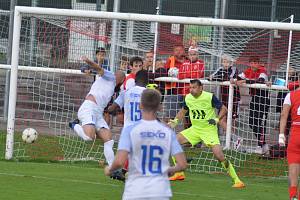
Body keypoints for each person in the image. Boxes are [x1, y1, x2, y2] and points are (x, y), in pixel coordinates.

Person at [104, 89, 187, 200]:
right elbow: (182, 164)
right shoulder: (168, 132)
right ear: (160, 107)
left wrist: (109, 170)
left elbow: (119, 161)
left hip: (135, 191)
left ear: (140, 105)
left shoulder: (130, 129)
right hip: (160, 191)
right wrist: (169, 170)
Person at [168, 79, 245, 188]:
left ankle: (237, 180)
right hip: (195, 129)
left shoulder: (209, 96)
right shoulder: (188, 97)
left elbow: (224, 109)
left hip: (209, 130)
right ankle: (179, 173)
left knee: (219, 156)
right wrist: (174, 122)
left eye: (194, 87)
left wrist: (217, 119)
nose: (191, 90)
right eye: (190, 87)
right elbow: (183, 111)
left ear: (201, 88)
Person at [69, 56, 125, 179]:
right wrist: (88, 63)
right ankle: (74, 125)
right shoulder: (110, 76)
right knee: (89, 137)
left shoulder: (114, 89)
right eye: (119, 75)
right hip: (88, 108)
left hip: (98, 112)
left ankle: (113, 170)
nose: (117, 75)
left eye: (119, 76)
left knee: (109, 139)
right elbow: (98, 69)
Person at [235, 56, 270, 154]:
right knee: (251, 122)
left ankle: (260, 145)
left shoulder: (263, 71)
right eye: (252, 62)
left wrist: (245, 81)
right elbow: (238, 78)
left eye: (256, 62)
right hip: (254, 98)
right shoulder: (248, 71)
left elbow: (260, 81)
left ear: (259, 63)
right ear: (249, 64)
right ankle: (264, 144)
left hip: (264, 98)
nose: (254, 64)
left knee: (260, 122)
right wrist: (234, 80)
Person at [279, 82, 300, 200]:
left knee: (294, 164)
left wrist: (281, 135)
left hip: (296, 133)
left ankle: (293, 195)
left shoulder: (290, 95)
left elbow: (283, 115)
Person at [209, 56, 241, 131]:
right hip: (224, 98)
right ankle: (232, 139)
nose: (225, 64)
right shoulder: (220, 69)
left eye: (227, 62)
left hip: (234, 98)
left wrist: (220, 78)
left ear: (231, 63)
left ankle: (233, 140)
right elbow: (212, 76)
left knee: (232, 121)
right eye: (224, 61)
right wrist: (212, 77)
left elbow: (231, 77)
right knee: (221, 120)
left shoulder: (234, 69)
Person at [164, 45, 187, 121]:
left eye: (180, 50)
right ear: (173, 52)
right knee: (170, 116)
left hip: (187, 92)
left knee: (187, 117)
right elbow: (165, 72)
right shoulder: (170, 60)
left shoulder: (188, 60)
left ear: (184, 51)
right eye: (176, 50)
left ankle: (186, 132)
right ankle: (167, 131)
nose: (179, 51)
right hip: (173, 91)